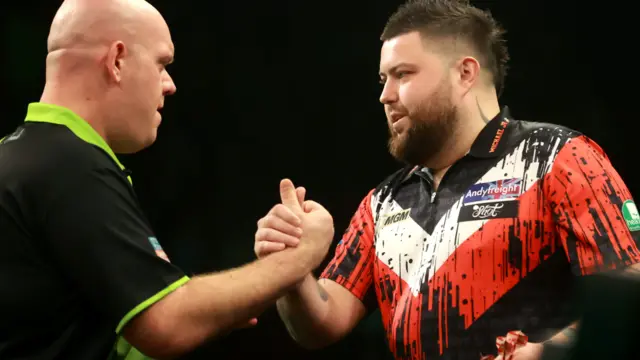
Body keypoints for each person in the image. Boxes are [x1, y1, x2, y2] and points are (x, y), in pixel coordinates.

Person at [253, 0, 640, 359]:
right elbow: (321, 324)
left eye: (402, 74)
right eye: (383, 79)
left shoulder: (558, 157)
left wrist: (546, 353)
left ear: (465, 73)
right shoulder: (383, 202)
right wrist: (293, 266)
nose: (385, 96)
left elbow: (627, 303)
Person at [0, 0, 333, 359]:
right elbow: (166, 325)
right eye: (162, 64)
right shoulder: (70, 166)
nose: (170, 85)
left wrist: (213, 308)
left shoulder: (18, 155)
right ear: (117, 61)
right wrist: (302, 255)